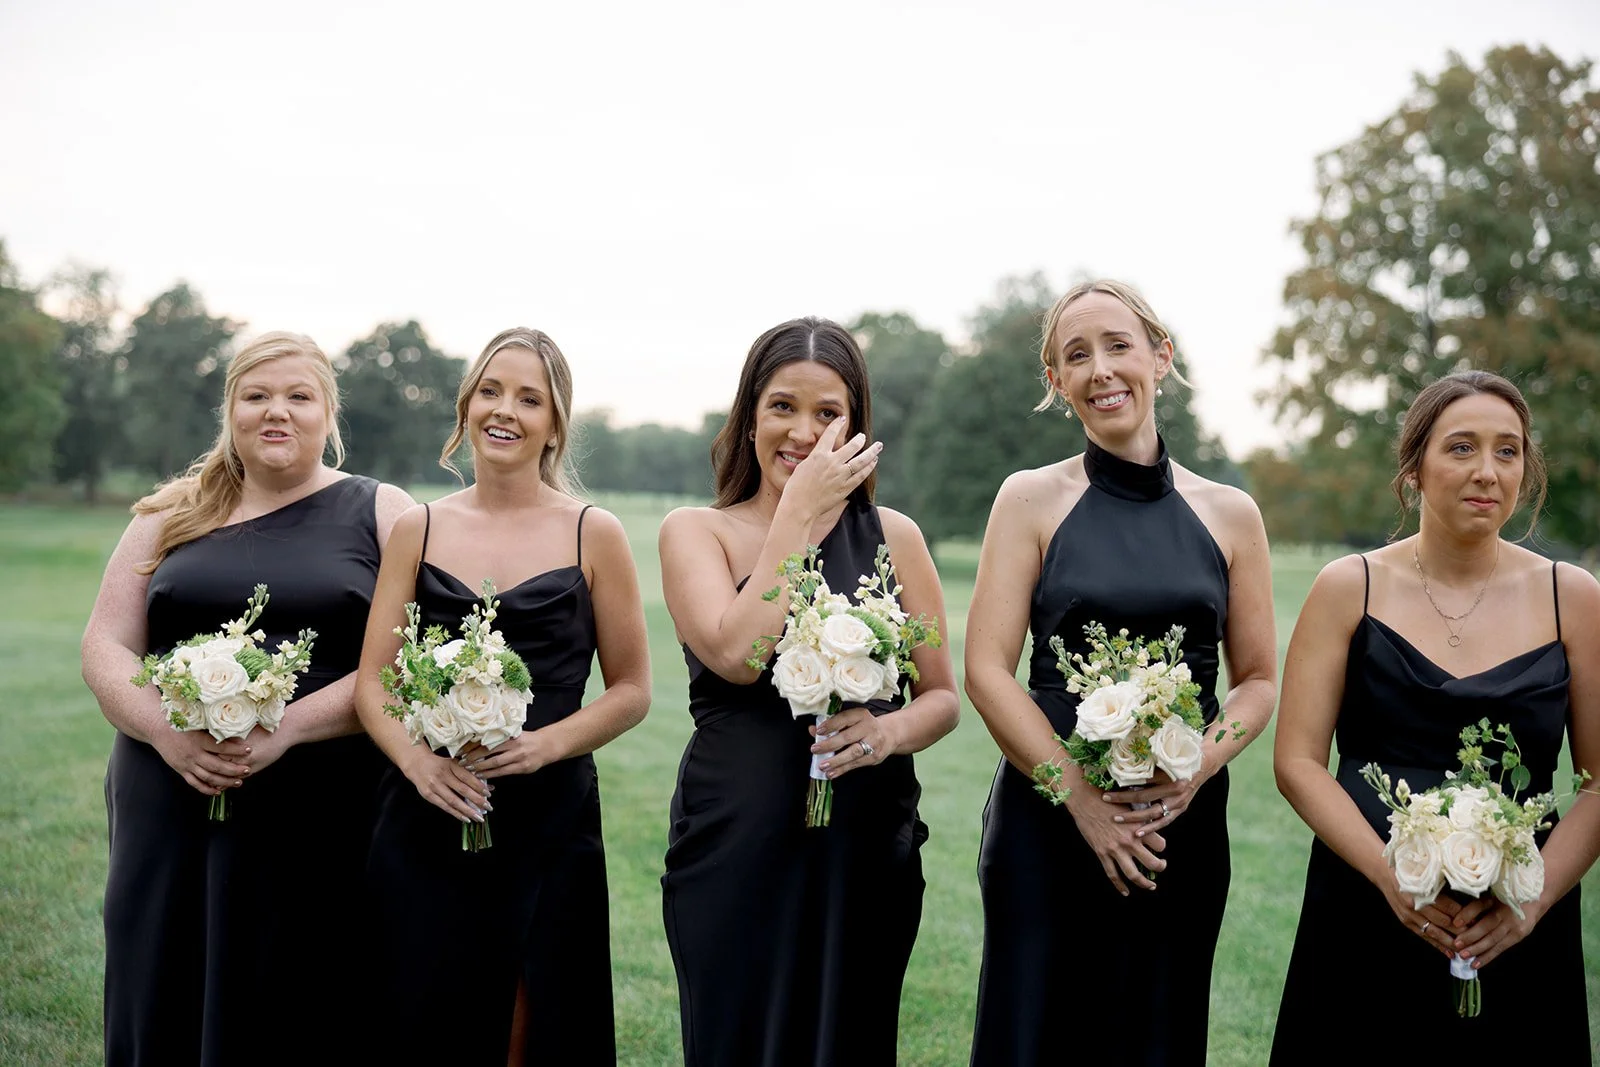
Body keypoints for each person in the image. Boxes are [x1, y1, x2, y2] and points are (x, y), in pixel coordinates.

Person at [962, 280, 1279, 1066]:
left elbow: (1259, 679)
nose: (1101, 369)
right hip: (1048, 825)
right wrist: (1081, 801)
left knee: (1156, 1034)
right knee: (1037, 1033)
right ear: (1056, 385)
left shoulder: (1231, 513)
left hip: (1180, 830)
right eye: (1077, 356)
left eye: (1118, 345)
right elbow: (986, 670)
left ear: (1160, 357)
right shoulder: (1030, 499)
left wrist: (1197, 765)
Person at [81, 331, 413, 1066]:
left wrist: (287, 729)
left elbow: (398, 664)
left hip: (321, 801)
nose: (277, 412)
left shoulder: (384, 511)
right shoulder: (170, 510)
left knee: (295, 991)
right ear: (229, 409)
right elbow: (105, 643)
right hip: (167, 792)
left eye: (299, 396)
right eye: (256, 395)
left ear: (329, 413)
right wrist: (166, 729)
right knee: (160, 975)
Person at [657, 316, 960, 1066]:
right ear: (749, 416)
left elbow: (942, 696)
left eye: (829, 413)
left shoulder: (898, 537)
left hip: (862, 847)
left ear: (856, 425)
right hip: (735, 844)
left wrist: (890, 731)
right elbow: (737, 651)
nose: (803, 431)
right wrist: (797, 514)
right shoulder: (697, 531)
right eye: (783, 407)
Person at [1270, 370, 1599, 1059]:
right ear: (1414, 467)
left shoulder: (1574, 597)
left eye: (1508, 451)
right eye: (1461, 448)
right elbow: (1298, 762)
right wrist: (1390, 876)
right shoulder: (1347, 587)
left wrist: (1527, 904)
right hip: (1363, 906)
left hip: (1510, 919)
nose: (1487, 471)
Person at [355, 327, 649, 1066]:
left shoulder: (594, 532)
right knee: (422, 1009)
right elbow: (372, 681)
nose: (505, 410)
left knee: (536, 1016)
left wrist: (546, 745)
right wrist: (418, 763)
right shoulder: (418, 528)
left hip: (547, 818)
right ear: (466, 405)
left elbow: (634, 690)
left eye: (529, 397)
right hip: (426, 809)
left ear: (555, 423)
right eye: (490, 390)